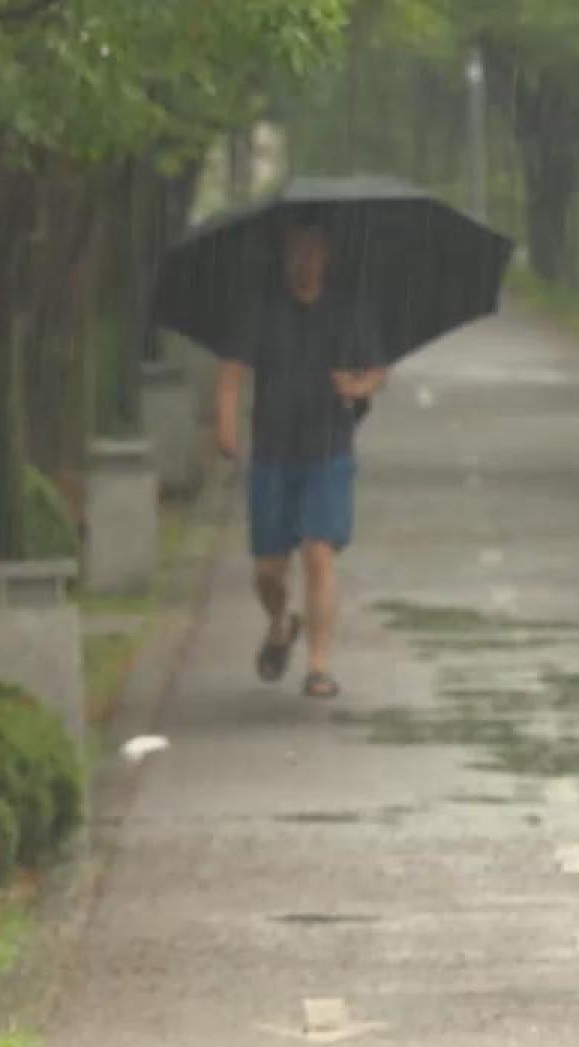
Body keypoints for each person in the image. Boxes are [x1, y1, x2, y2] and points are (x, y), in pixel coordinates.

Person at [214, 210, 388, 700]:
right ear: (284, 252)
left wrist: (358, 385)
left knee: (318, 555)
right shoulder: (261, 306)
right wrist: (226, 421)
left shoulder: (348, 307)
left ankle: (318, 665)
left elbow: (379, 369)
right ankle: (280, 622)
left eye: (314, 249)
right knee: (268, 570)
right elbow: (231, 370)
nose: (305, 259)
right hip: (272, 451)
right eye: (296, 249)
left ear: (328, 253)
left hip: (327, 449)